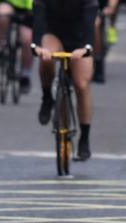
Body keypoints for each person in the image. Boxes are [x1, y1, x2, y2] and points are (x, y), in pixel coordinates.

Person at [31, 0, 98, 161]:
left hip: (79, 39)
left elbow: (90, 26)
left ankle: (84, 137)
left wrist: (86, 48)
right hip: (53, 34)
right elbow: (38, 24)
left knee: (82, 84)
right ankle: (47, 96)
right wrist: (37, 47)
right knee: (46, 58)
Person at [0, 0, 33, 93]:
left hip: (28, 8)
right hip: (8, 2)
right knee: (2, 16)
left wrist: (32, 9)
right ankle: (3, 49)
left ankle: (25, 75)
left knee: (27, 39)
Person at [93, 0, 119, 83]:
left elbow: (112, 6)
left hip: (102, 8)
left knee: (96, 25)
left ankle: (98, 63)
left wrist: (110, 8)